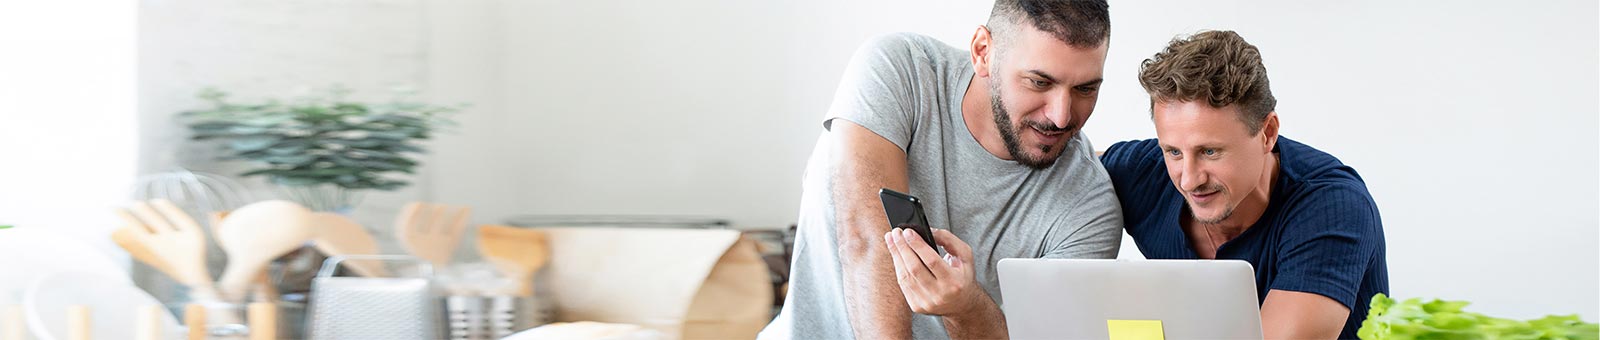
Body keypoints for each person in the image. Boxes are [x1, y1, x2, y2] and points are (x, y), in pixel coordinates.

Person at [758, 1, 1123, 339]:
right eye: (1039, 82)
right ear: (983, 52)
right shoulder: (900, 70)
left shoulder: (1089, 205)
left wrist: (966, 308)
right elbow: (866, 239)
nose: (1061, 114)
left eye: (1085, 89)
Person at [1101, 30, 1388, 339]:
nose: (1189, 179)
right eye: (1173, 151)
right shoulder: (1144, 173)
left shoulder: (1334, 207)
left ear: (1267, 133)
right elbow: (1057, 167)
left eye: (1210, 152)